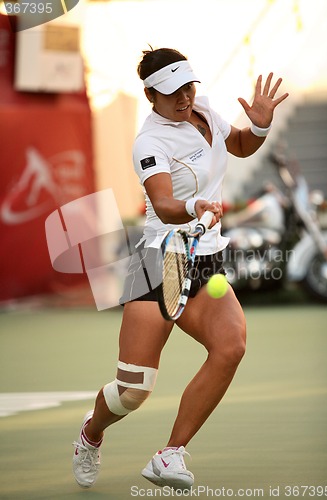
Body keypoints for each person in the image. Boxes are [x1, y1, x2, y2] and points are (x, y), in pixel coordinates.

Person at [72, 47, 289, 491]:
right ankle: (90, 434)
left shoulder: (203, 110)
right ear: (151, 95)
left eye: (189, 87)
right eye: (173, 93)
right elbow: (166, 205)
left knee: (231, 346)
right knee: (132, 391)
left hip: (205, 260)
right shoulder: (150, 143)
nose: (185, 98)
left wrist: (261, 124)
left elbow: (242, 145)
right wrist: (195, 205)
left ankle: (170, 453)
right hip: (158, 262)